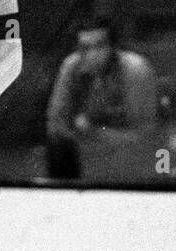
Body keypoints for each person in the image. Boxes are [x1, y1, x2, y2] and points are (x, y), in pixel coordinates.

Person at [44, 17, 158, 183]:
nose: (92, 54)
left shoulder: (135, 70)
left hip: (129, 151)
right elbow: (55, 123)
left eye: (99, 46)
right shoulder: (71, 66)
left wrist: (93, 131)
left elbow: (146, 135)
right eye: (85, 48)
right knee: (57, 148)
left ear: (113, 47)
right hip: (86, 149)